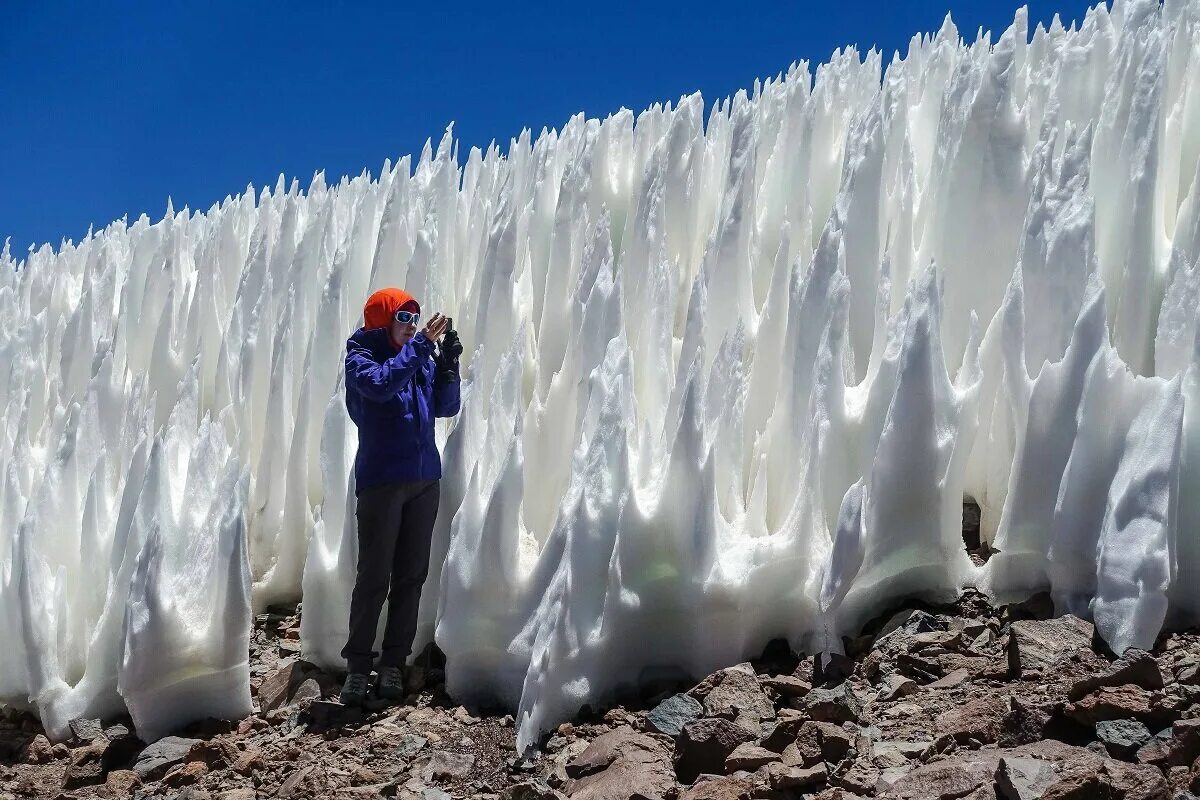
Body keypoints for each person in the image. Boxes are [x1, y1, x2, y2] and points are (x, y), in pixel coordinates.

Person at [339, 287, 463, 706]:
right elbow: (380, 386)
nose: (412, 326)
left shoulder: (417, 357)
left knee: (411, 577)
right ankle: (358, 667)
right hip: (382, 481)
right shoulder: (361, 357)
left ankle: (394, 661)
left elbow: (446, 408)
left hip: (424, 479)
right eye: (404, 318)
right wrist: (424, 347)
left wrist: (448, 365)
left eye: (416, 319)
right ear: (382, 319)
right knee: (374, 577)